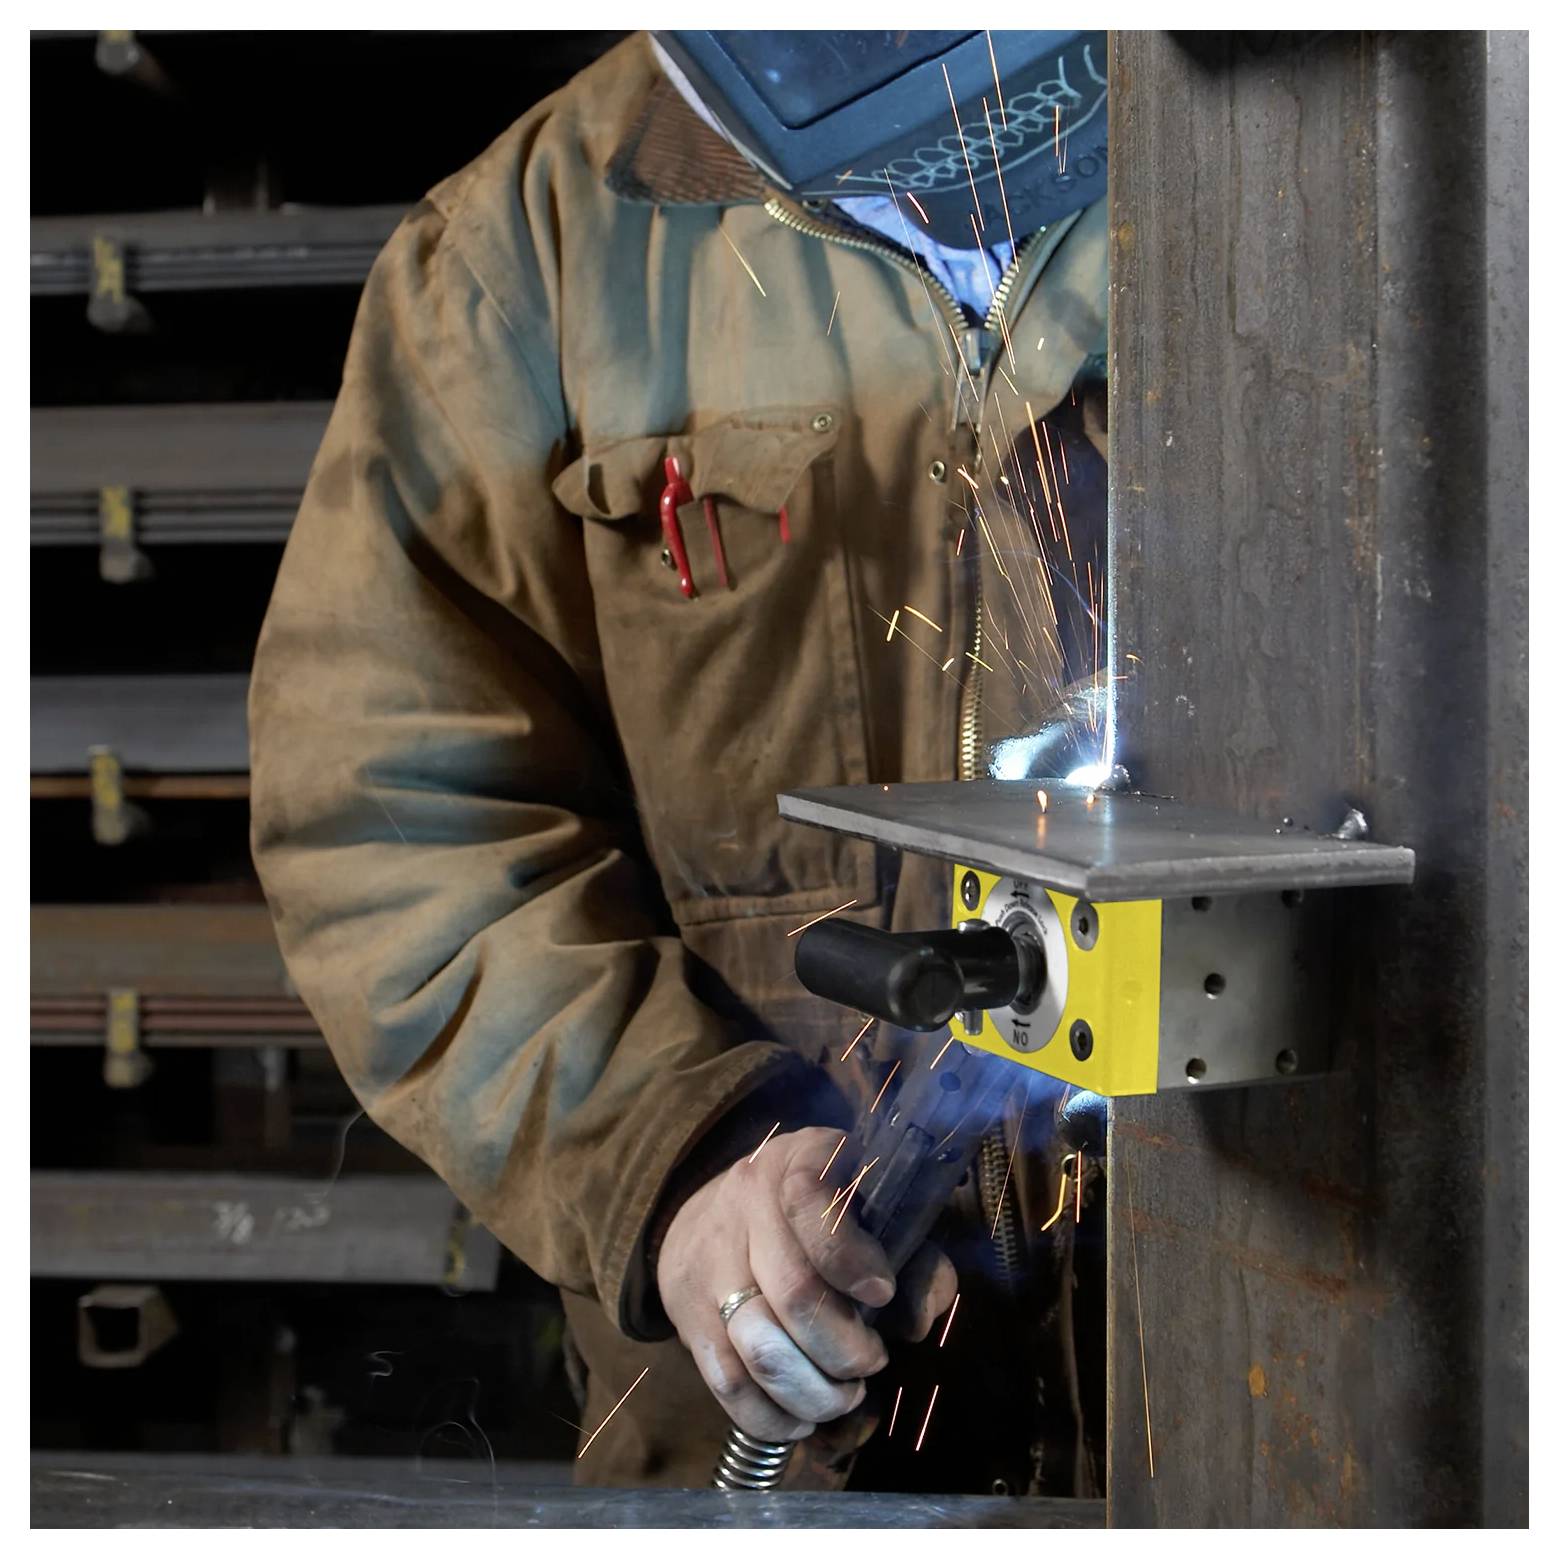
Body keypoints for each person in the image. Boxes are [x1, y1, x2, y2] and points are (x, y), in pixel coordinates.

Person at [249, 29, 1110, 1493]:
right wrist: (683, 1161)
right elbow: (390, 812)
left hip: (1291, 1365)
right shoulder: (538, 245)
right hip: (782, 1418)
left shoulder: (1327, 135)